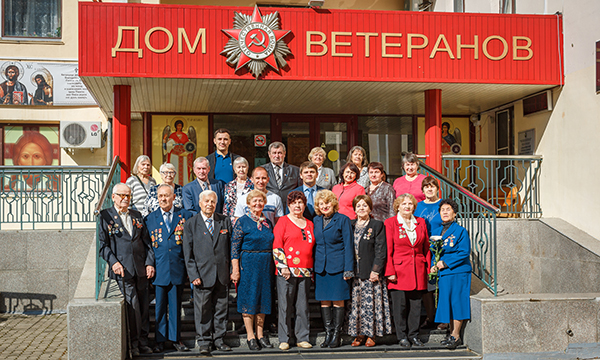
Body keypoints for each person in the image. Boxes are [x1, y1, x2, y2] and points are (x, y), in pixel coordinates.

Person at [98, 183, 154, 356]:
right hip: (122, 270)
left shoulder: (137, 216)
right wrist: (113, 262)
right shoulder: (105, 216)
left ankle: (144, 341)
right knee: (133, 306)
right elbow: (103, 246)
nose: (125, 199)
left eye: (128, 196)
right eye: (121, 195)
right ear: (113, 196)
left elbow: (148, 243)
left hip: (141, 269)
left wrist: (150, 263)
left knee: (144, 307)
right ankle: (134, 343)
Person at [182, 190, 233, 355]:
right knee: (202, 310)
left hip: (222, 273)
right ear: (200, 203)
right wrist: (193, 275)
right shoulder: (191, 223)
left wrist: (232, 270)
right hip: (202, 276)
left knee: (221, 309)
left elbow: (231, 248)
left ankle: (219, 339)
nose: (210, 204)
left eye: (213, 201)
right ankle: (204, 341)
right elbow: (187, 253)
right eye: (206, 201)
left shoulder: (224, 221)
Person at [145, 184, 192, 353]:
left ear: (173, 197)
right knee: (159, 307)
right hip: (159, 269)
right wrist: (149, 264)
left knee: (175, 307)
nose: (163, 199)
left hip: (178, 268)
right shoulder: (150, 218)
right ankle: (159, 340)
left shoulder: (184, 215)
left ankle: (175, 339)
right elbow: (148, 245)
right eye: (160, 196)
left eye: (166, 196)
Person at [231, 190, 276, 351]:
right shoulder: (242, 222)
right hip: (248, 264)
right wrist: (235, 270)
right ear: (248, 204)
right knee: (249, 299)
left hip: (265, 265)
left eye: (260, 201)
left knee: (263, 299)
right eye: (254, 201)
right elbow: (234, 248)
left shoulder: (267, 223)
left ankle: (260, 334)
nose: (257, 204)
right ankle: (250, 335)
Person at [385, 193, 430, 349]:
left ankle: (414, 335)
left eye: (410, 204)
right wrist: (389, 271)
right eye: (404, 204)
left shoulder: (421, 222)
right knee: (400, 307)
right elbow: (388, 249)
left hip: (418, 270)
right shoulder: (390, 223)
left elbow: (426, 247)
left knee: (416, 307)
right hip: (399, 271)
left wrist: (428, 267)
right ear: (398, 206)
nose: (407, 206)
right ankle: (402, 336)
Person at [272, 191, 315, 351]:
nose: (297, 206)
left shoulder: (310, 223)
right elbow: (277, 245)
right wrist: (283, 267)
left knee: (302, 306)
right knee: (285, 306)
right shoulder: (283, 221)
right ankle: (284, 338)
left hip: (305, 271)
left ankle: (302, 337)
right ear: (288, 205)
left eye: (300, 202)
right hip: (287, 271)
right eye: (294, 203)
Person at [347, 195, 392, 347]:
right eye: (358, 206)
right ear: (354, 209)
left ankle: (371, 334)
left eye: (364, 206)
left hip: (371, 273)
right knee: (357, 305)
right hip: (355, 273)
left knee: (371, 305)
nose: (361, 208)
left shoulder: (377, 225)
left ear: (370, 208)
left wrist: (376, 270)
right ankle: (359, 334)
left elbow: (381, 250)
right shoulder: (350, 225)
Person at [312, 190, 353, 348]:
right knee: (324, 301)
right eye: (321, 204)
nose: (324, 206)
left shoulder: (343, 219)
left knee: (337, 301)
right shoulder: (316, 220)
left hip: (338, 266)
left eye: (327, 203)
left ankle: (336, 334)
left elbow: (348, 245)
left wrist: (348, 268)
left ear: (333, 203)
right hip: (321, 267)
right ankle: (328, 334)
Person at [430, 198, 472, 350]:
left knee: (457, 302)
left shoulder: (460, 231)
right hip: (444, 273)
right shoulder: (436, 232)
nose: (445, 212)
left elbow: (464, 252)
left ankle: (456, 335)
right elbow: (434, 252)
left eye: (448, 210)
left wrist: (446, 263)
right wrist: (433, 265)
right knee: (447, 303)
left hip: (457, 272)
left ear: (454, 213)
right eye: (442, 210)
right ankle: (450, 334)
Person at [414, 176, 444, 330]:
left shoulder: (443, 204)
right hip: (424, 249)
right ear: (423, 190)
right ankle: (430, 316)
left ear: (437, 188)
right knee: (427, 285)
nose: (430, 189)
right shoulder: (418, 206)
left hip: (441, 249)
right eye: (427, 187)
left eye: (432, 186)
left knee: (441, 284)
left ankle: (443, 318)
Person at [164, 120, 194, 185]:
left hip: (183, 154)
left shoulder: (184, 135)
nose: (179, 127)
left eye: (180, 126)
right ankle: (174, 183)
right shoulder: (172, 135)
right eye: (178, 126)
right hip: (174, 154)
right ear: (176, 126)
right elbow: (168, 146)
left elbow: (188, 145)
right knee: (174, 168)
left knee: (184, 169)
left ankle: (184, 184)